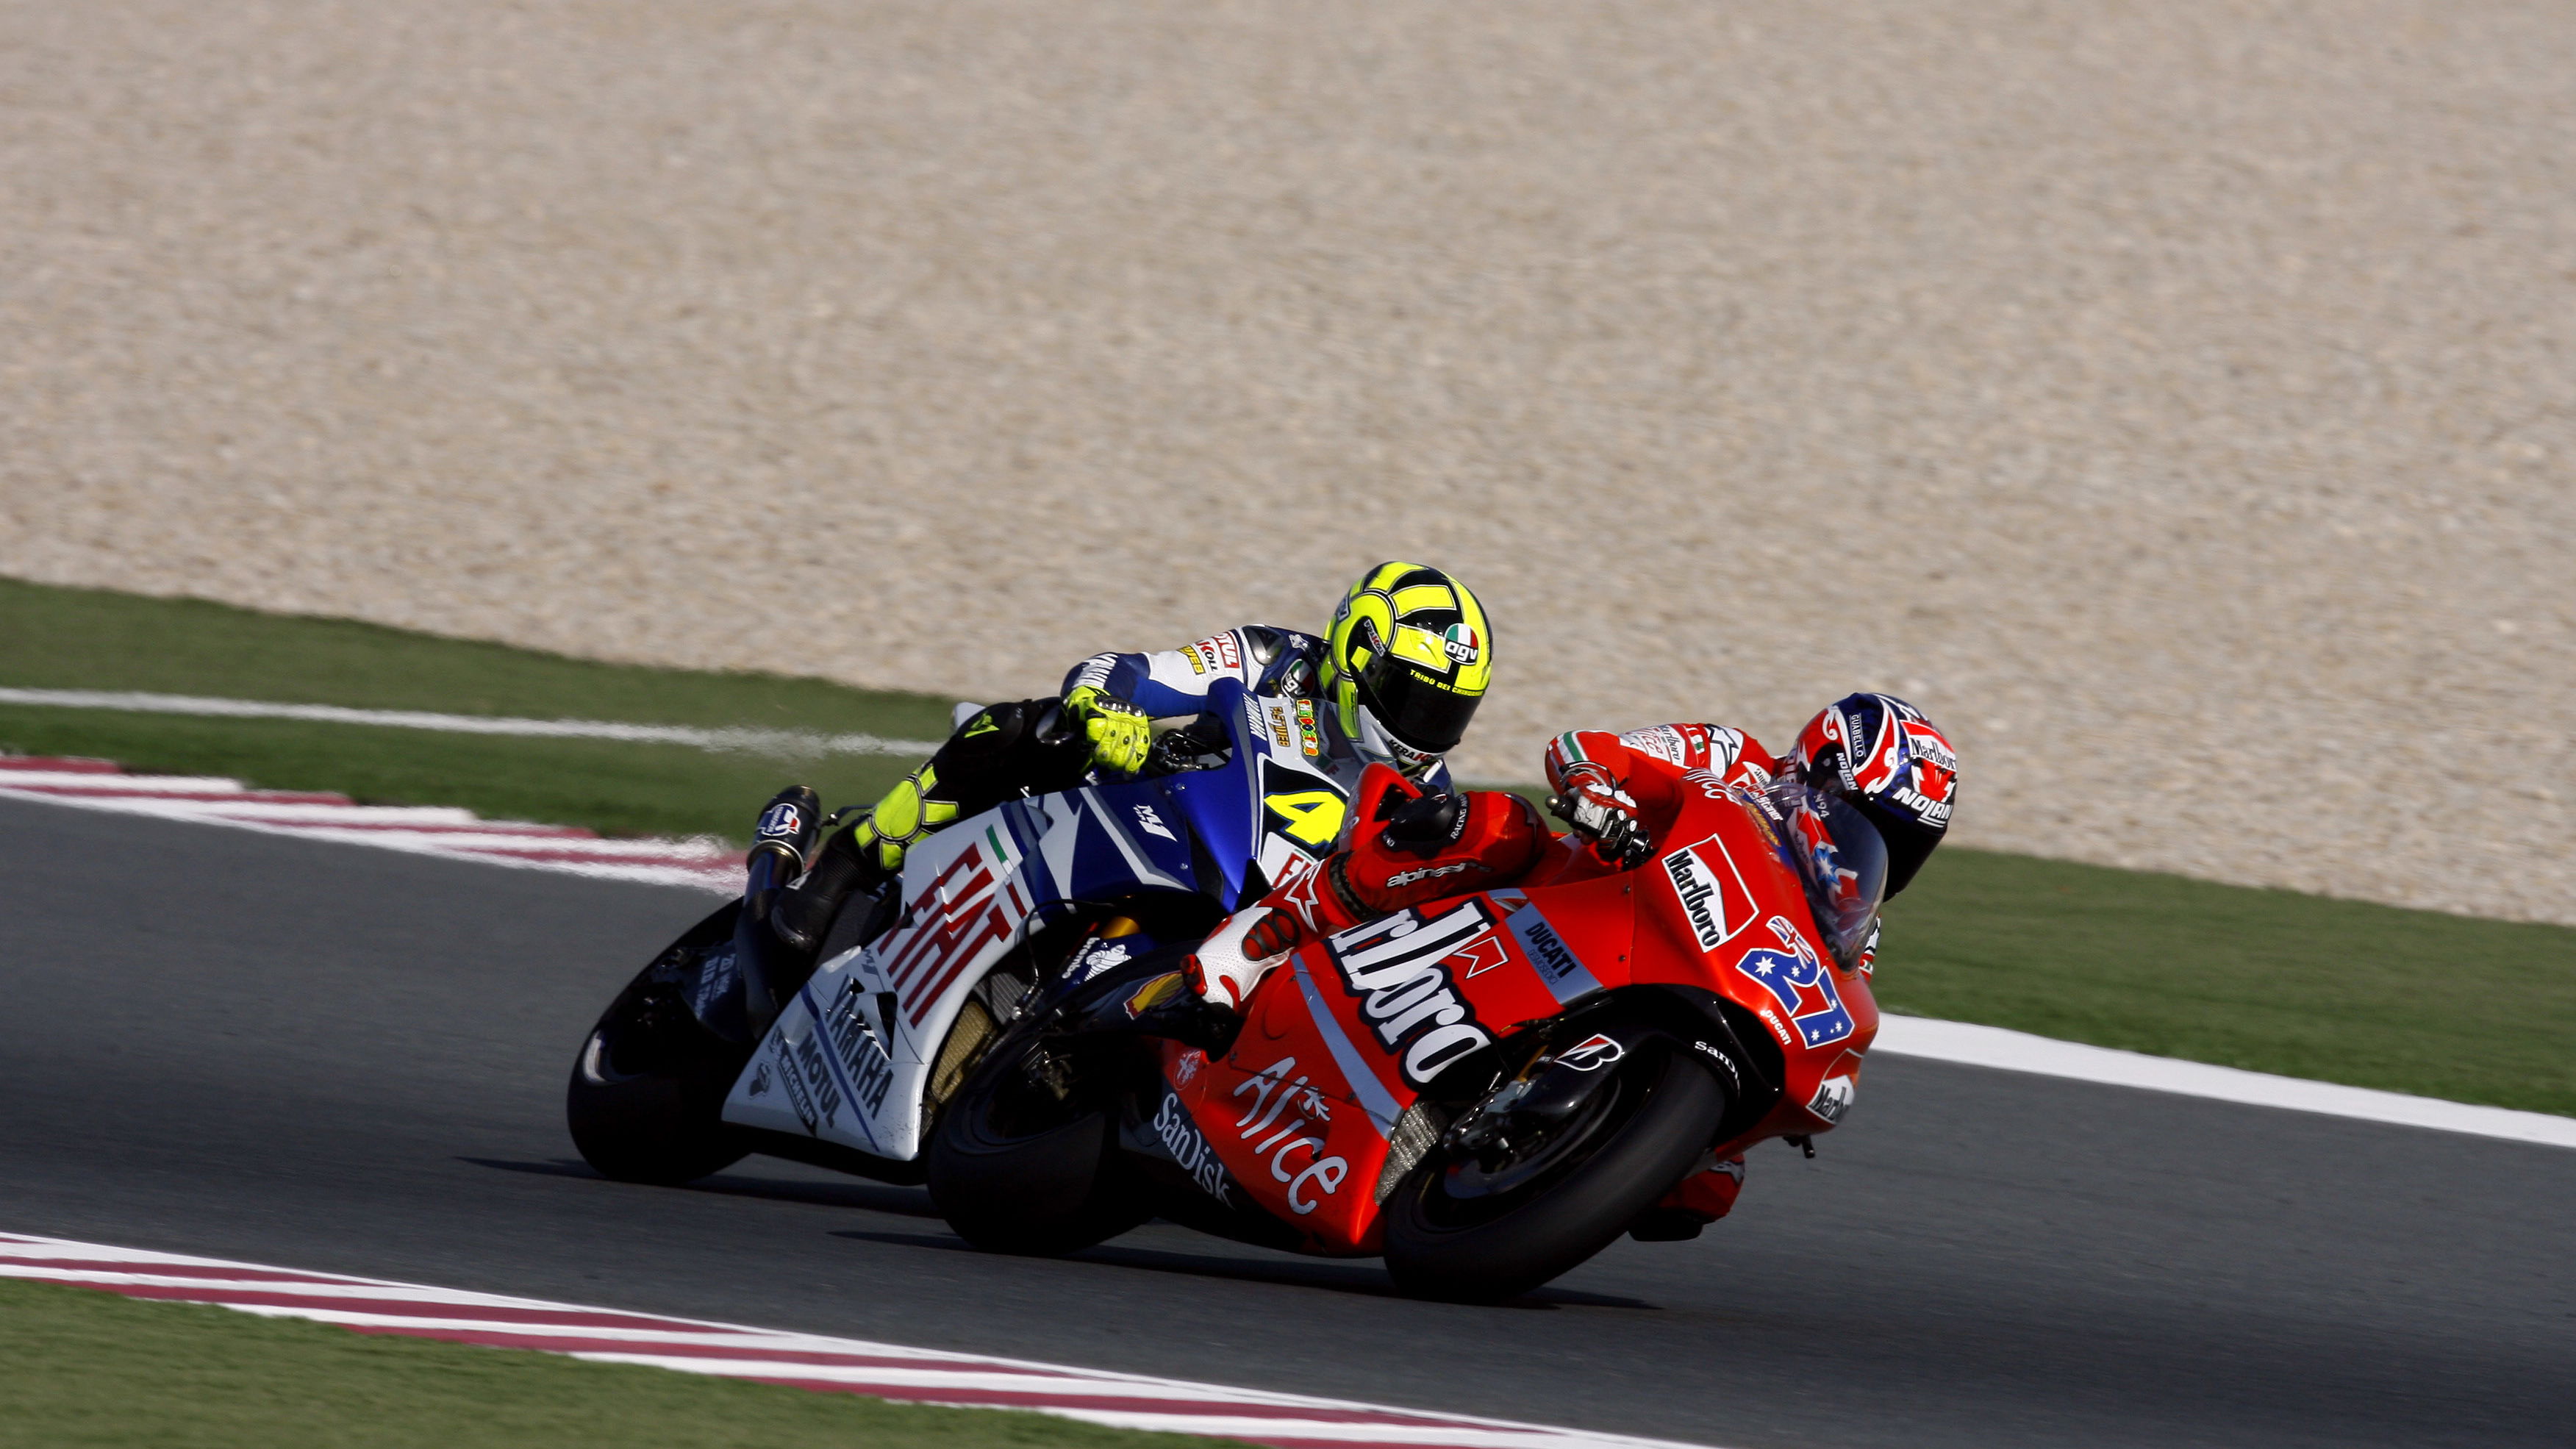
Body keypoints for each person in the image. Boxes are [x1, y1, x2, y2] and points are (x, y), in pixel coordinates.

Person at [1181, 691, 1958, 1236]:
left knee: (1711, 1185)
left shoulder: (1852, 925)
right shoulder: (1733, 759)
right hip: (1561, 900)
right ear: (1818, 772)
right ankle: (1257, 943)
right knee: (1497, 826)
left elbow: (1829, 1006)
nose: (1884, 852)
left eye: (1906, 844)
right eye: (1874, 821)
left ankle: (1595, 1142)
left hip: (1673, 989)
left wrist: (1723, 1129)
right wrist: (1596, 790)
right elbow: (1588, 748)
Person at [767, 562, 1496, 954]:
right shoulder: (1275, 658)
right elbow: (1122, 671)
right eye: (1414, 698)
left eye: (1448, 712)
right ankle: (850, 861)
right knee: (1035, 730)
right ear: (1355, 657)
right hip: (1151, 811)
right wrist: (1104, 711)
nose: (1426, 729)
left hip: (1243, 922)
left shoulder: (1424, 798)